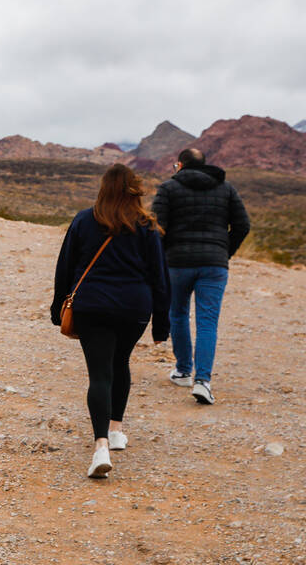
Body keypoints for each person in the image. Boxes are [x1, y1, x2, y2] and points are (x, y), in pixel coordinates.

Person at [52, 164, 169, 478]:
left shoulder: (83, 220)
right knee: (121, 362)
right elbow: (159, 278)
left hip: (92, 305)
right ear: (134, 189)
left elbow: (65, 267)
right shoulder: (146, 225)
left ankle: (101, 445)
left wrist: (56, 307)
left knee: (100, 373)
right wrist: (161, 323)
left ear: (103, 188)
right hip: (134, 308)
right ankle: (116, 429)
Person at [152, 148, 250, 405]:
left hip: (177, 264)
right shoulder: (226, 188)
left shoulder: (168, 188)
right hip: (214, 265)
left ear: (180, 165)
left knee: (178, 314)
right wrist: (224, 252)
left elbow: (156, 228)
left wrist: (161, 257)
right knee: (208, 322)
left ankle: (184, 370)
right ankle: (202, 381)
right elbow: (243, 225)